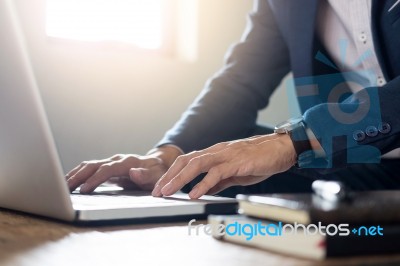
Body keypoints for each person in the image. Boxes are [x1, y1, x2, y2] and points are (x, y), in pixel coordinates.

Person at [66, 0, 400, 198]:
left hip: (349, 149)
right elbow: (242, 81)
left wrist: (294, 140)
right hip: (360, 160)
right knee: (215, 172)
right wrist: (165, 157)